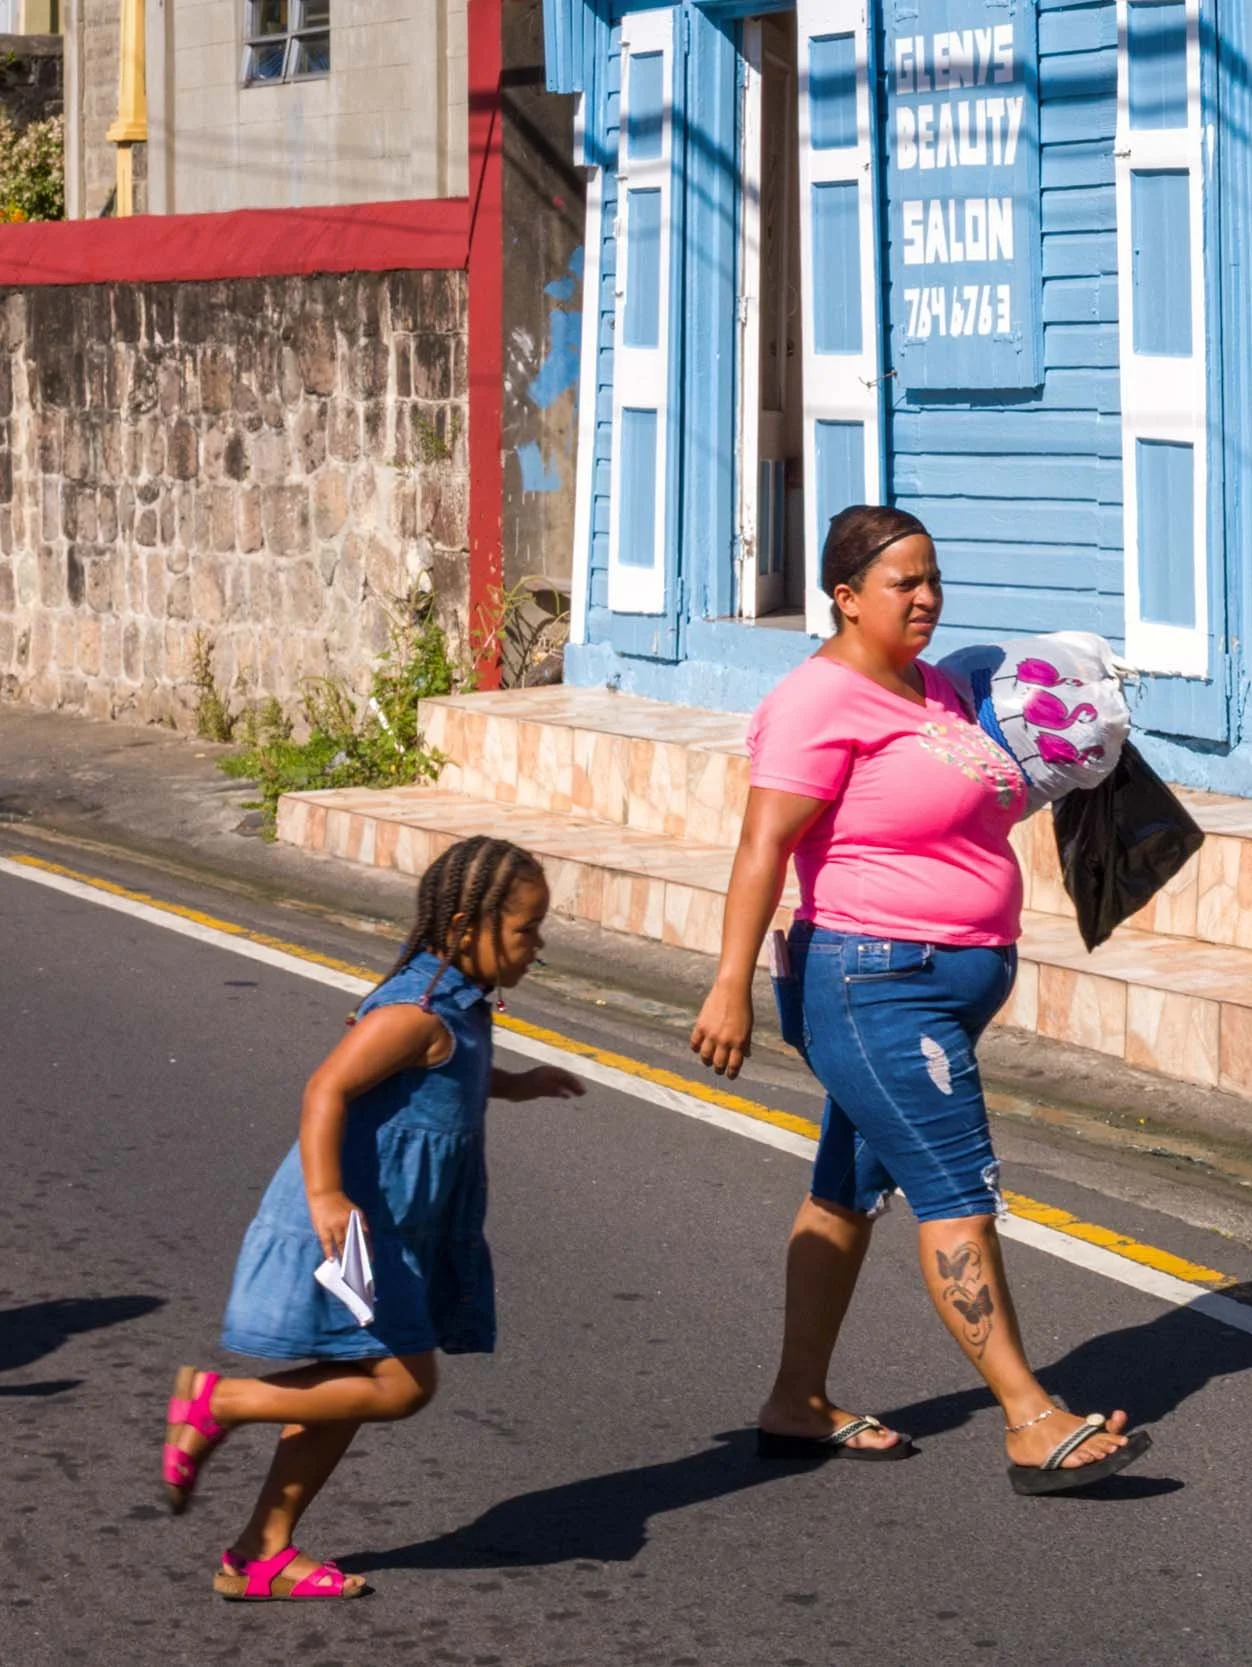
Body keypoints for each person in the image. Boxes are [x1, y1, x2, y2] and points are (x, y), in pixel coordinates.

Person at [689, 503, 1149, 1495]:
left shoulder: (938, 689)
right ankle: (1029, 1417)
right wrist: (728, 984)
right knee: (955, 1194)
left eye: (933, 578)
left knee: (845, 1189)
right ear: (845, 597)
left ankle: (796, 1400)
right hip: (869, 983)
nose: (927, 597)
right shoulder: (817, 703)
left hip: (940, 982)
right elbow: (762, 845)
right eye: (904, 583)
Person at [158, 836, 584, 1600]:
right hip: (353, 1225)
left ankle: (261, 1551)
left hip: (395, 1229)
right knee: (401, 1384)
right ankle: (219, 1400)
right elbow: (326, 1089)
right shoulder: (415, 1013)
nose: (536, 946)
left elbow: (446, 1080)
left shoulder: (460, 1006)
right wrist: (325, 1194)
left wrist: (517, 1085)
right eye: (526, 930)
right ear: (463, 927)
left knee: (353, 1379)